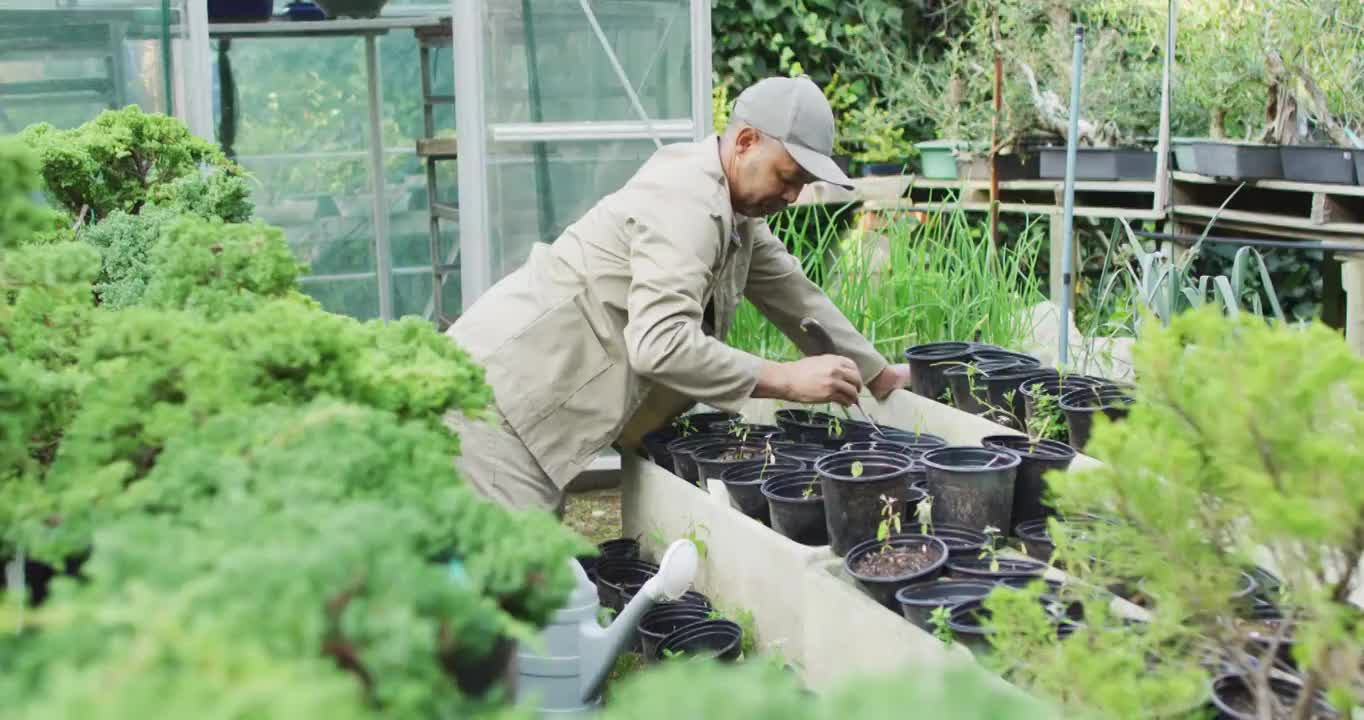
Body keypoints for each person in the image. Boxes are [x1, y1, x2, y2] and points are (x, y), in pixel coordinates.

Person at [444, 75, 911, 513]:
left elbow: (795, 296)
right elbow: (659, 344)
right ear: (746, 142)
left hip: (525, 398)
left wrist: (877, 374)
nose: (792, 196)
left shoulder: (737, 214)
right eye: (787, 177)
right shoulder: (686, 201)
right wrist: (786, 378)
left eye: (802, 185)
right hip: (496, 403)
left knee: (522, 580)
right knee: (517, 582)